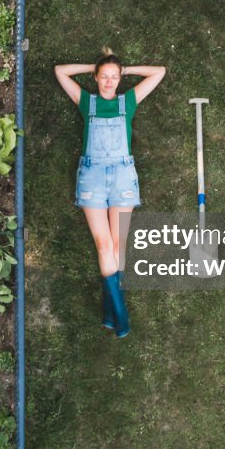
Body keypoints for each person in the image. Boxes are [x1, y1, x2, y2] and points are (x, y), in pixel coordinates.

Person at [54, 48, 166, 338]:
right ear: (96, 77)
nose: (109, 82)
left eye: (114, 78)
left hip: (122, 177)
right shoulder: (86, 101)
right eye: (104, 77)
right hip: (92, 176)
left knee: (118, 248)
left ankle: (108, 310)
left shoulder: (127, 101)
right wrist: (94, 65)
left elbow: (159, 72)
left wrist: (124, 70)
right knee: (104, 247)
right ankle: (121, 312)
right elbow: (60, 72)